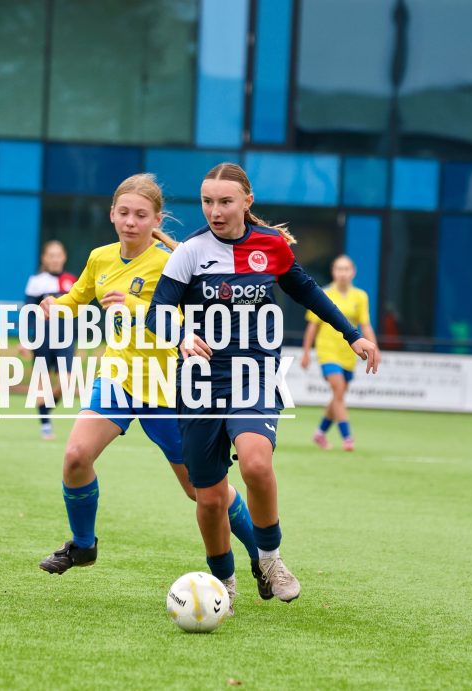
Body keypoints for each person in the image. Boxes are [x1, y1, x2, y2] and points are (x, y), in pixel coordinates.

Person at [145, 163, 379, 611]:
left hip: (253, 374)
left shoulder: (271, 246)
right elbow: (158, 312)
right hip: (198, 384)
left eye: (225, 201)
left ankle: (270, 559)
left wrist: (353, 335)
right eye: (207, 202)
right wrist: (181, 336)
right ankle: (224, 583)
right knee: (209, 498)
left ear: (247, 201)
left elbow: (308, 292)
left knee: (255, 463)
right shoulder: (190, 251)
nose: (215, 211)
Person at [38, 173, 267, 600]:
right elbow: (78, 299)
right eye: (124, 213)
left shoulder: (171, 261)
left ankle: (262, 558)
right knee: (75, 457)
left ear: (156, 219)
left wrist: (135, 304)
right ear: (111, 214)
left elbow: (187, 318)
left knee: (202, 491)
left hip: (167, 388)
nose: (131, 222)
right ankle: (83, 546)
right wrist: (56, 306)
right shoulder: (100, 258)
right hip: (118, 378)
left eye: (141, 215)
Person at [300, 255, 377, 451]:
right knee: (339, 390)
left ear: (353, 272)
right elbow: (312, 326)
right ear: (333, 272)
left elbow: (365, 325)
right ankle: (347, 437)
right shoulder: (322, 294)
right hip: (327, 352)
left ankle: (320, 433)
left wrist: (374, 347)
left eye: (346, 269)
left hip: (349, 354)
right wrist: (306, 352)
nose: (342, 273)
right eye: (339, 269)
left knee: (338, 396)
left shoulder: (360, 296)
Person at [22, 240, 77, 440]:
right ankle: (45, 424)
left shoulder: (72, 280)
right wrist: (25, 340)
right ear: (44, 258)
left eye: (58, 255)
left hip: (65, 337)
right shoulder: (37, 281)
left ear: (64, 257)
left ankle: (45, 408)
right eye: (51, 255)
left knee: (67, 384)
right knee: (42, 383)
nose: (55, 259)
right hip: (42, 337)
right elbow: (29, 312)